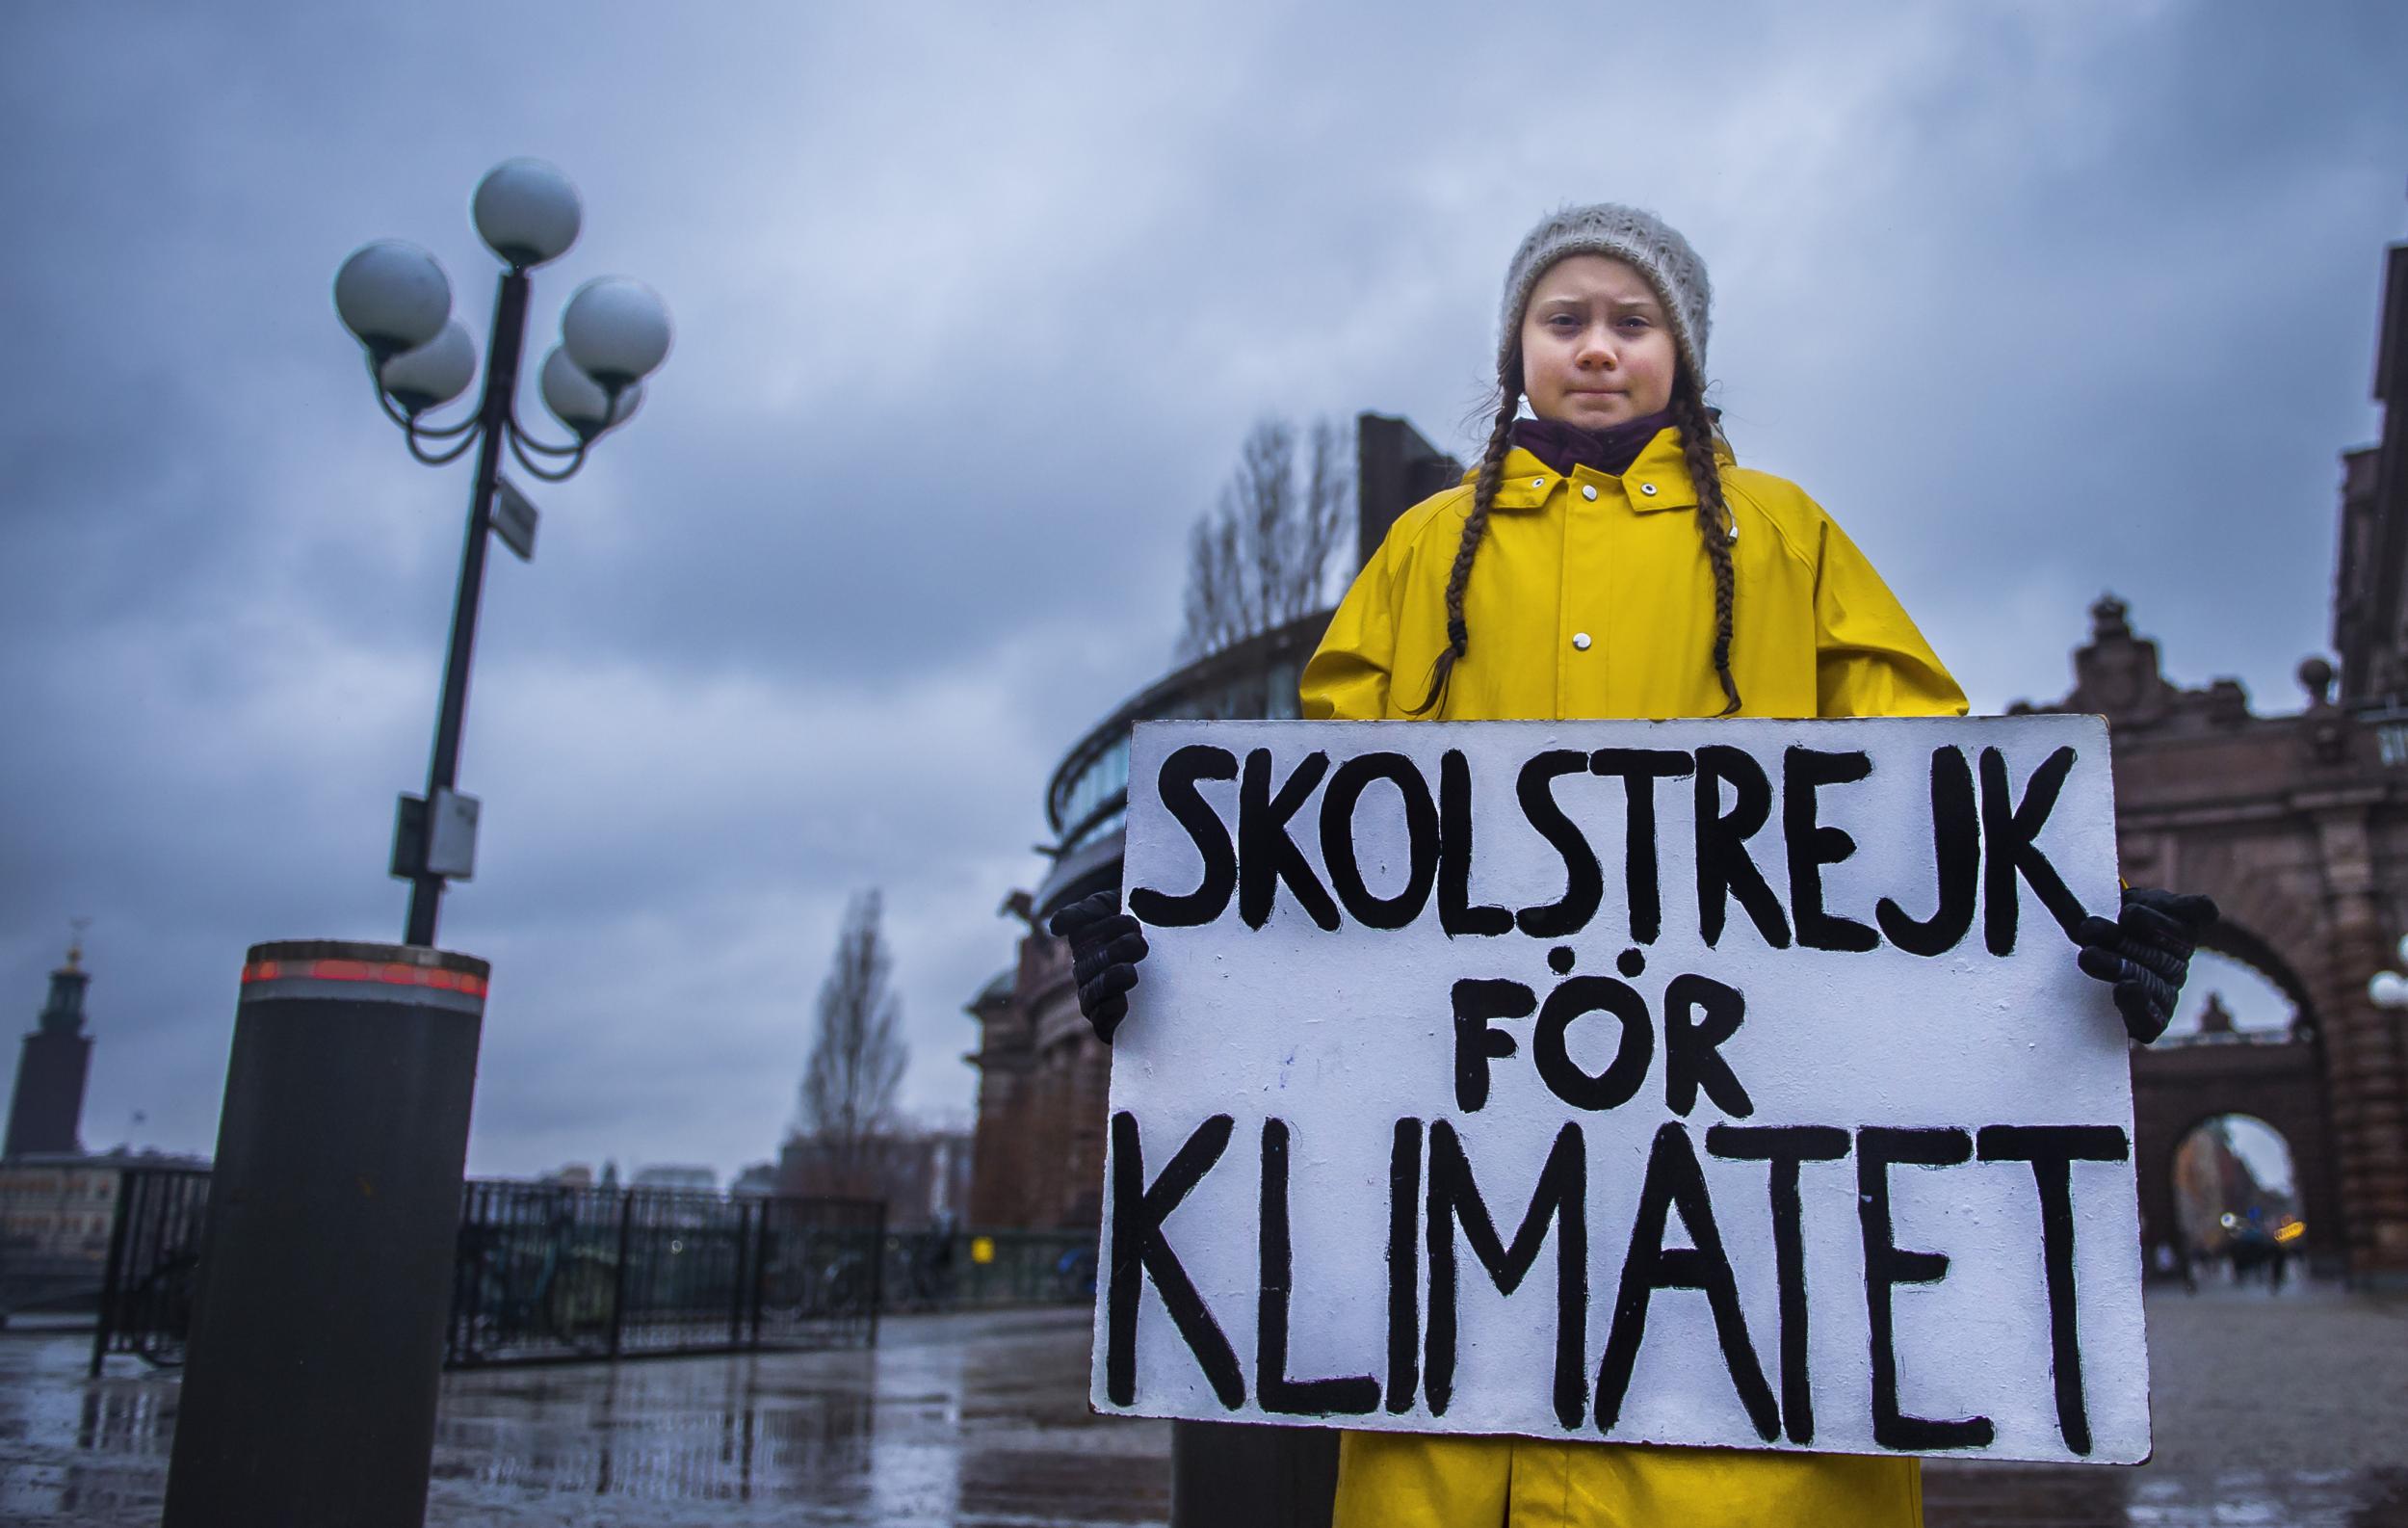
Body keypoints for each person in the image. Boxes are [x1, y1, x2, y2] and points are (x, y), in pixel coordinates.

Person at [1052, 202, 2215, 1528]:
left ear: (1686, 351)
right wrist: (1185, 962)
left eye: (1632, 320)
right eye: (1565, 319)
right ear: (1516, 351)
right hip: (1456, 1394)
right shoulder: (1423, 555)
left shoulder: (1793, 539)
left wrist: (2065, 941)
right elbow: (1325, 860)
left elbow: (1922, 819)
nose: (1597, 348)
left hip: (1755, 1409)